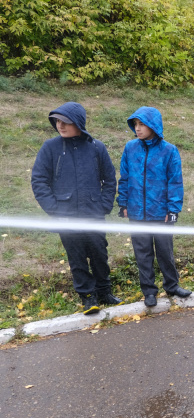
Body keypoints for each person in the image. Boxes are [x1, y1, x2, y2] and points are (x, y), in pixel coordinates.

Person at [31, 102, 119, 314]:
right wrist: (55, 209)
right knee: (77, 257)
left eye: (66, 121)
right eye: (57, 121)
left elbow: (109, 179)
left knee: (99, 254)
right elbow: (39, 181)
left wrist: (104, 205)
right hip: (66, 218)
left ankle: (104, 292)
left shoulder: (97, 147)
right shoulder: (50, 147)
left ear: (78, 123)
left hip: (93, 215)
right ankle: (88, 297)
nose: (60, 125)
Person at [117, 107, 192, 307]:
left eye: (142, 124)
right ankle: (149, 291)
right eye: (135, 124)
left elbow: (175, 182)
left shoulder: (169, 151)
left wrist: (173, 209)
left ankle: (172, 285)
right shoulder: (130, 148)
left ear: (153, 126)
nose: (138, 129)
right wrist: (123, 202)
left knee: (165, 252)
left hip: (161, 213)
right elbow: (124, 178)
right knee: (142, 253)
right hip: (136, 212)